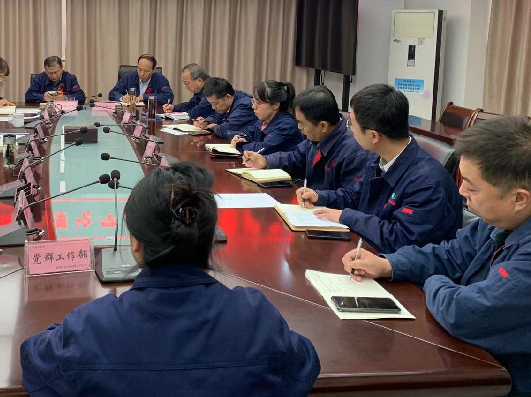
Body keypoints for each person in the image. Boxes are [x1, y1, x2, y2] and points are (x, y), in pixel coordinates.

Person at [21, 162, 320, 396]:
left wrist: (65, 330)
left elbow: (33, 359)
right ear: (210, 239)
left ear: (135, 245)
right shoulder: (257, 318)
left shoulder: (90, 328)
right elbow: (305, 363)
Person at [342, 116, 531, 395]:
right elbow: (449, 254)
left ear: (519, 198)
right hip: (474, 362)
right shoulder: (500, 220)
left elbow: (464, 313)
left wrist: (434, 282)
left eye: (472, 187)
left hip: (503, 382)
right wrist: (389, 264)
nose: (461, 192)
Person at [299, 84, 462, 253]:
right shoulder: (380, 158)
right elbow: (356, 195)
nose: (350, 130)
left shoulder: (428, 182)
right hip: (369, 251)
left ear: (374, 136)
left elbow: (400, 240)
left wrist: (347, 216)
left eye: (352, 125)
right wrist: (320, 197)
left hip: (398, 264)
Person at [242, 85, 368, 193]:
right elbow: (295, 159)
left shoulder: (353, 151)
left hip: (326, 210)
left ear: (323, 126)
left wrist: (319, 197)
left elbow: (351, 197)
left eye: (302, 123)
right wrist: (265, 160)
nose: (299, 127)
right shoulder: (316, 137)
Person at [230, 80, 302, 154]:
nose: (253, 106)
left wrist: (240, 145)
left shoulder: (286, 126)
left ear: (275, 105)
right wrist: (241, 137)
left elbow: (263, 148)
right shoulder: (264, 120)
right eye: (253, 101)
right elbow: (249, 132)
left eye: (258, 103)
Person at [108, 54, 174, 104]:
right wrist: (122, 98)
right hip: (129, 113)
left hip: (150, 114)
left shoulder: (160, 79)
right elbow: (113, 93)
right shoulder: (128, 77)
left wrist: (144, 97)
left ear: (153, 70)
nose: (142, 74)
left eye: (146, 71)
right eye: (140, 69)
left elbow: (169, 97)